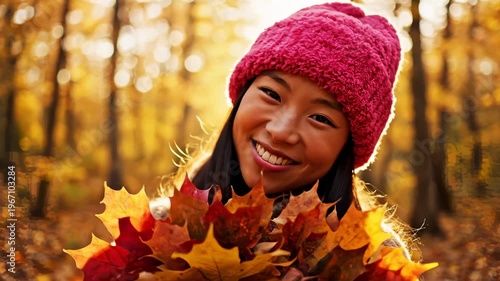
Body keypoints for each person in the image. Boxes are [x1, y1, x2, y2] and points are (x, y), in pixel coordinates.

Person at [171, 1, 402, 223]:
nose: (280, 132)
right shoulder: (150, 235)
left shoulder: (372, 260)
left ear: (347, 146)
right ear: (243, 94)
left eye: (320, 118)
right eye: (272, 94)